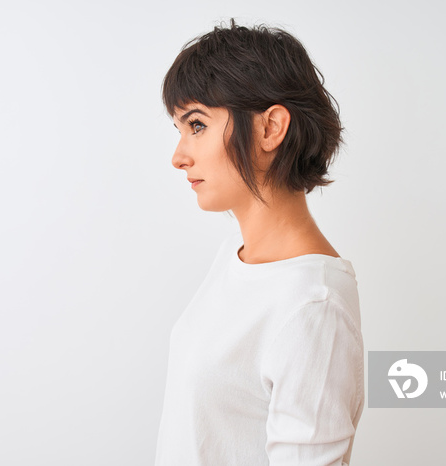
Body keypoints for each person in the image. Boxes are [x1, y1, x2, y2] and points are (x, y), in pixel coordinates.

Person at [155, 19, 364, 466]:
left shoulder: (313, 304)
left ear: (271, 128)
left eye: (196, 125)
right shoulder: (236, 255)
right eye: (179, 128)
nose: (178, 156)